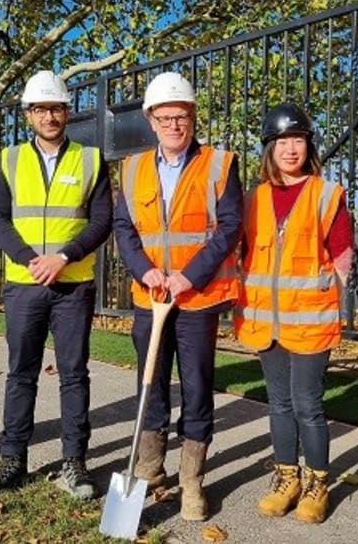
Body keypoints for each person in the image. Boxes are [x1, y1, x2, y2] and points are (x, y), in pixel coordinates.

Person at [0, 70, 112, 500]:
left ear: (67, 111)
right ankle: (13, 458)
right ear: (29, 114)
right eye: (40, 109)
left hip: (73, 284)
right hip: (24, 283)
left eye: (55, 108)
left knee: (74, 375)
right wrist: (30, 260)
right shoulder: (10, 159)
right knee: (22, 373)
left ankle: (75, 461)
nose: (49, 116)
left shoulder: (91, 159)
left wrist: (64, 257)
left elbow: (102, 220)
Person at [114, 71, 243, 520]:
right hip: (149, 294)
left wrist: (190, 276)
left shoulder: (219, 164)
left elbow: (229, 228)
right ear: (151, 120)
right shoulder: (131, 169)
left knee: (196, 385)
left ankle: (192, 481)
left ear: (192, 117)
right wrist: (145, 270)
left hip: (197, 298)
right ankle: (150, 468)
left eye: (181, 116)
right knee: (149, 385)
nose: (174, 125)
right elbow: (124, 229)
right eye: (165, 117)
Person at [235, 103, 353, 523]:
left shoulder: (325, 194)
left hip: (311, 322)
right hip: (266, 322)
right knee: (279, 404)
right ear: (270, 149)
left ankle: (317, 482)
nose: (290, 149)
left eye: (298, 141)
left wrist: (327, 296)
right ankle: (287, 477)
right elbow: (245, 254)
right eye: (282, 142)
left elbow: (341, 256)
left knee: (308, 404)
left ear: (309, 146)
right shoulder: (253, 198)